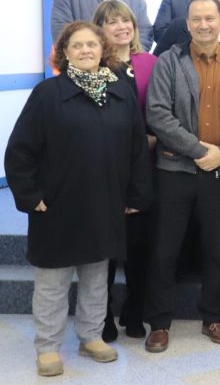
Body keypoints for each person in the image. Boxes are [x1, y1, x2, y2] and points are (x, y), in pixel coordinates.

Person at [5, 22, 153, 377]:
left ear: (102, 49)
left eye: (92, 44)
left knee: (95, 276)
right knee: (53, 284)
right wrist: (31, 196)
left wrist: (135, 195)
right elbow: (20, 150)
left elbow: (136, 150)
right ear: (65, 53)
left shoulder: (120, 92)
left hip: (105, 202)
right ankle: (48, 347)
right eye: (77, 45)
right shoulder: (47, 93)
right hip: (57, 205)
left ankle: (90, 337)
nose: (86, 50)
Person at [143, 0, 220, 354]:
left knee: (218, 249)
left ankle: (213, 318)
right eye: (196, 19)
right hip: (174, 169)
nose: (204, 25)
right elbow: (158, 114)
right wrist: (199, 150)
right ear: (187, 23)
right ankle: (159, 323)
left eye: (210, 18)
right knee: (164, 250)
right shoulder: (168, 62)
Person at [92, 0, 157, 342]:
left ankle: (134, 313)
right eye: (112, 22)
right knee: (105, 250)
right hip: (105, 170)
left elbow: (163, 107)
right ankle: (102, 317)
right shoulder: (93, 66)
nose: (121, 27)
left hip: (145, 167)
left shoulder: (149, 63)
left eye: (126, 21)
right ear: (99, 29)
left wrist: (153, 137)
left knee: (139, 247)